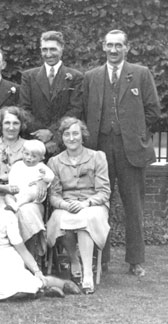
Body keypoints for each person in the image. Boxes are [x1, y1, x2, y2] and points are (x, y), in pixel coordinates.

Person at [79, 29, 160, 277]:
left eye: (118, 46)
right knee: (99, 204)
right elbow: (83, 112)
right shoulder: (92, 76)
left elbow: (153, 111)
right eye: (109, 45)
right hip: (100, 148)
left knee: (133, 206)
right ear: (103, 47)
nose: (113, 50)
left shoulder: (141, 74)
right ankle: (100, 259)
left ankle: (135, 260)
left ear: (127, 48)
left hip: (130, 151)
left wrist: (134, 134)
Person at [0, 175, 79, 302]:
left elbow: (21, 249)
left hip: (6, 257)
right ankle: (41, 289)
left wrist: (36, 270)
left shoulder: (5, 215)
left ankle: (59, 284)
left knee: (19, 282)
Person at [45, 117, 111, 294]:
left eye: (75, 133)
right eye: (67, 134)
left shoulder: (97, 157)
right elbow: (54, 195)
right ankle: (75, 261)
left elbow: (104, 192)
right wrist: (64, 205)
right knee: (61, 218)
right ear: (62, 138)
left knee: (86, 218)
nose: (71, 138)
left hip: (92, 204)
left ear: (83, 135)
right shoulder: (55, 162)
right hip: (66, 205)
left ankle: (87, 273)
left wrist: (86, 203)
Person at [0, 106, 46, 255]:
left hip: (26, 197)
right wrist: (2, 189)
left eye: (15, 123)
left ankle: (29, 261)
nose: (11, 128)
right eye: (7, 123)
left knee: (26, 211)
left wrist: (42, 181)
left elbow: (42, 172)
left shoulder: (31, 146)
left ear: (22, 125)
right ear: (0, 124)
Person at [19, 31, 84, 158]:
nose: (48, 54)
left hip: (63, 141)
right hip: (35, 143)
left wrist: (52, 132)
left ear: (62, 48)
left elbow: (75, 109)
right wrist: (40, 135)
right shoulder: (28, 76)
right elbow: (24, 109)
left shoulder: (76, 77)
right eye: (44, 49)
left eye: (53, 49)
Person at [3, 139, 54, 213]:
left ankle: (16, 206)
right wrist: (11, 185)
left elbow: (51, 177)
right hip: (18, 191)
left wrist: (44, 175)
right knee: (7, 196)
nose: (29, 157)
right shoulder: (18, 164)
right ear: (22, 152)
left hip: (33, 194)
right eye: (26, 154)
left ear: (41, 158)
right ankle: (11, 204)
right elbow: (12, 175)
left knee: (30, 193)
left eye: (34, 156)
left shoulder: (41, 167)